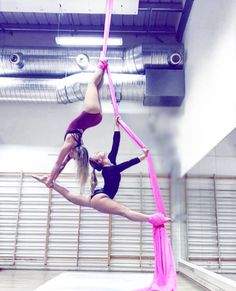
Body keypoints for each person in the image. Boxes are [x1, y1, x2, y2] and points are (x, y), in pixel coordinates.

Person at [32, 118, 170, 227]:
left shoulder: (110, 161)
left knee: (69, 195)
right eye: (97, 153)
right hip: (101, 198)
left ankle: (50, 183)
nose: (98, 151)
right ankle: (152, 219)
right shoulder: (108, 170)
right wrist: (143, 156)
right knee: (124, 211)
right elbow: (126, 165)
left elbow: (115, 144)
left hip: (98, 197)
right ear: (99, 160)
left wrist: (117, 125)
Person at [44, 55, 108, 189]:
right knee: (91, 84)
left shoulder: (76, 146)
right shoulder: (70, 144)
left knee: (95, 88)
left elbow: (61, 165)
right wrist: (50, 178)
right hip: (91, 113)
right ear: (75, 153)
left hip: (96, 118)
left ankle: (103, 69)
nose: (71, 158)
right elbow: (57, 163)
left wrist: (52, 179)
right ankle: (102, 64)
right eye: (74, 158)